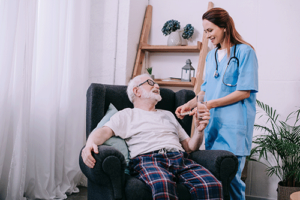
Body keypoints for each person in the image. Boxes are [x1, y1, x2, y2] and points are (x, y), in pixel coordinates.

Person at [81, 74, 223, 200]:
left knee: (212, 185)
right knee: (162, 185)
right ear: (136, 91)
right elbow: (103, 131)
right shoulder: (126, 114)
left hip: (180, 158)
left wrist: (199, 130)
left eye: (156, 83)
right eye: (150, 83)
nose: (156, 85)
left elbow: (190, 147)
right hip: (148, 160)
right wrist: (90, 143)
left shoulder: (168, 115)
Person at [175, 8, 258, 200]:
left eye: (210, 30)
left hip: (235, 127)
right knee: (214, 177)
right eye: (205, 31)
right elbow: (205, 90)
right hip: (214, 126)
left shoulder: (245, 52)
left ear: (224, 27)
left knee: (233, 180)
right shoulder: (211, 56)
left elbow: (244, 90)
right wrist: (190, 104)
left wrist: (210, 104)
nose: (207, 36)